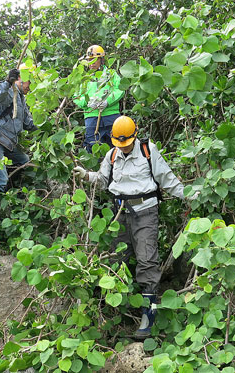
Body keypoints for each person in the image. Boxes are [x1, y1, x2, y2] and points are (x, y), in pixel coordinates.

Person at [72, 116, 198, 339]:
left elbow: (167, 180)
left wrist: (191, 195)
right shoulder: (112, 155)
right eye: (119, 144)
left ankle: (148, 317)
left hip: (145, 213)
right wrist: (87, 175)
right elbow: (102, 180)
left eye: (127, 143)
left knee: (147, 262)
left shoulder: (148, 151)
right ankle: (114, 315)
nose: (124, 148)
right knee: (114, 260)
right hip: (120, 214)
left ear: (135, 135)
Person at [0, 64, 37, 219]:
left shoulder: (21, 98)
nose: (30, 87)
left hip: (7, 142)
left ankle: (9, 192)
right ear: (20, 80)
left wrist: (46, 128)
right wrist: (7, 81)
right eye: (29, 83)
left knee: (24, 160)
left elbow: (28, 123)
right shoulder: (7, 91)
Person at [74, 45, 124, 152]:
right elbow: (76, 96)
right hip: (91, 118)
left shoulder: (111, 74)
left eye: (94, 59)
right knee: (92, 149)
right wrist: (87, 103)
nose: (91, 63)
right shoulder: (83, 78)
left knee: (118, 148)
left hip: (111, 116)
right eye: (89, 60)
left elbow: (120, 89)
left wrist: (107, 101)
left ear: (101, 60)